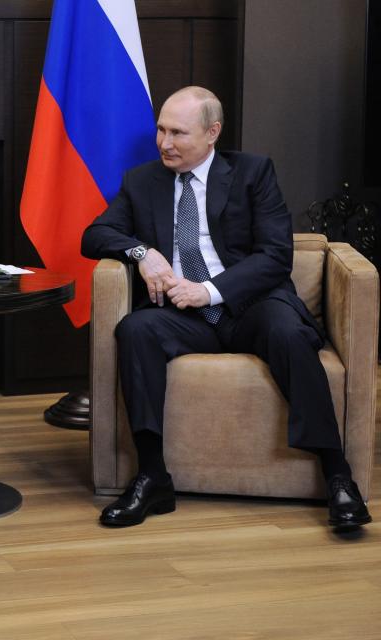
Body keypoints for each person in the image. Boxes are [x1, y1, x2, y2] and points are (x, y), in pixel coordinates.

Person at [81, 86, 371, 531]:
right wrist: (144, 254)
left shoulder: (253, 172)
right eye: (160, 130)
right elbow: (95, 236)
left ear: (212, 132)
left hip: (249, 306)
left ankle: (337, 474)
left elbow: (276, 255)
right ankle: (152, 476)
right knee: (135, 330)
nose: (164, 143)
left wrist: (210, 291)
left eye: (178, 133)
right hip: (182, 315)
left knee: (288, 332)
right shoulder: (142, 181)